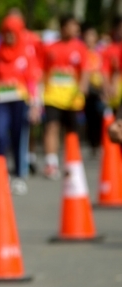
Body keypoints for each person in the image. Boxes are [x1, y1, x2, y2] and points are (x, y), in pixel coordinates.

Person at [0, 14, 42, 196]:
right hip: (1, 102)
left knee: (19, 137)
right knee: (0, 134)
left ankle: (19, 175)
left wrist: (35, 106)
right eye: (6, 33)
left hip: (21, 102)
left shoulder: (27, 54)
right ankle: (2, 172)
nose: (9, 36)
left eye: (13, 33)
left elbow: (33, 81)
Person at [41, 14, 91, 180]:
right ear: (63, 28)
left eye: (77, 26)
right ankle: (51, 163)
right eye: (72, 25)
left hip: (72, 98)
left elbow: (85, 70)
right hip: (52, 97)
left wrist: (83, 88)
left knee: (71, 132)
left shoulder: (81, 48)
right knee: (52, 128)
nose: (76, 29)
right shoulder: (50, 48)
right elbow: (42, 71)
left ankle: (72, 163)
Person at [82, 24, 105, 156]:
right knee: (89, 116)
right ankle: (92, 143)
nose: (90, 38)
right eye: (88, 35)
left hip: (98, 89)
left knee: (99, 116)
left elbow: (104, 70)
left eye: (92, 35)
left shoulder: (100, 52)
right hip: (86, 89)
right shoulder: (82, 52)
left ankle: (98, 143)